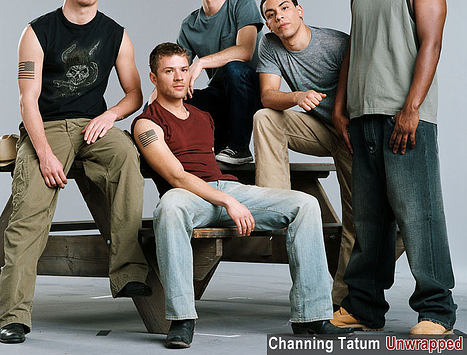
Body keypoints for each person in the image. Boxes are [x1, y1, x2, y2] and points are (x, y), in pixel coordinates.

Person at [132, 42, 354, 349]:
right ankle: (182, 318)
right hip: (187, 197)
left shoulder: (203, 117)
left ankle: (311, 316)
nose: (179, 77)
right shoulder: (146, 123)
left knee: (305, 204)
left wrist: (228, 195)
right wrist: (227, 201)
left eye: (183, 69)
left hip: (226, 188)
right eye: (169, 71)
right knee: (168, 207)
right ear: (154, 78)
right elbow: (176, 176)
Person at [0, 0, 150, 345]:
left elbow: (134, 94)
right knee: (28, 213)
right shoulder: (37, 31)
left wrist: (110, 116)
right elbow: (27, 99)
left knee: (127, 158)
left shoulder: (116, 34)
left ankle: (128, 272)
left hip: (93, 126)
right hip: (46, 126)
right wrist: (44, 152)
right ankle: (14, 316)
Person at [331, 0, 457, 335]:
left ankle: (437, 311)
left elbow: (431, 43)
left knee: (419, 216)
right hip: (363, 116)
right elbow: (355, 48)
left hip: (405, 118)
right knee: (369, 221)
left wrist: (412, 108)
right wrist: (340, 106)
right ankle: (363, 307)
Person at [253, 0, 354, 307]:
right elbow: (268, 96)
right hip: (319, 130)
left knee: (356, 218)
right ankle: (274, 206)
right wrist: (297, 96)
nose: (279, 16)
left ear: (300, 10)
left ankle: (341, 299)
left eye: (284, 8)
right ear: (268, 24)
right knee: (265, 117)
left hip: (351, 133)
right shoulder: (269, 44)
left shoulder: (336, 43)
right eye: (270, 14)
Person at [174, 0, 263, 164]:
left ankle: (240, 148)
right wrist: (155, 100)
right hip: (219, 96)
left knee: (234, 68)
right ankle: (151, 149)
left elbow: (245, 51)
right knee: (172, 98)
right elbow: (176, 69)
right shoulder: (189, 24)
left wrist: (201, 63)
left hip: (252, 92)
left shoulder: (242, 3)